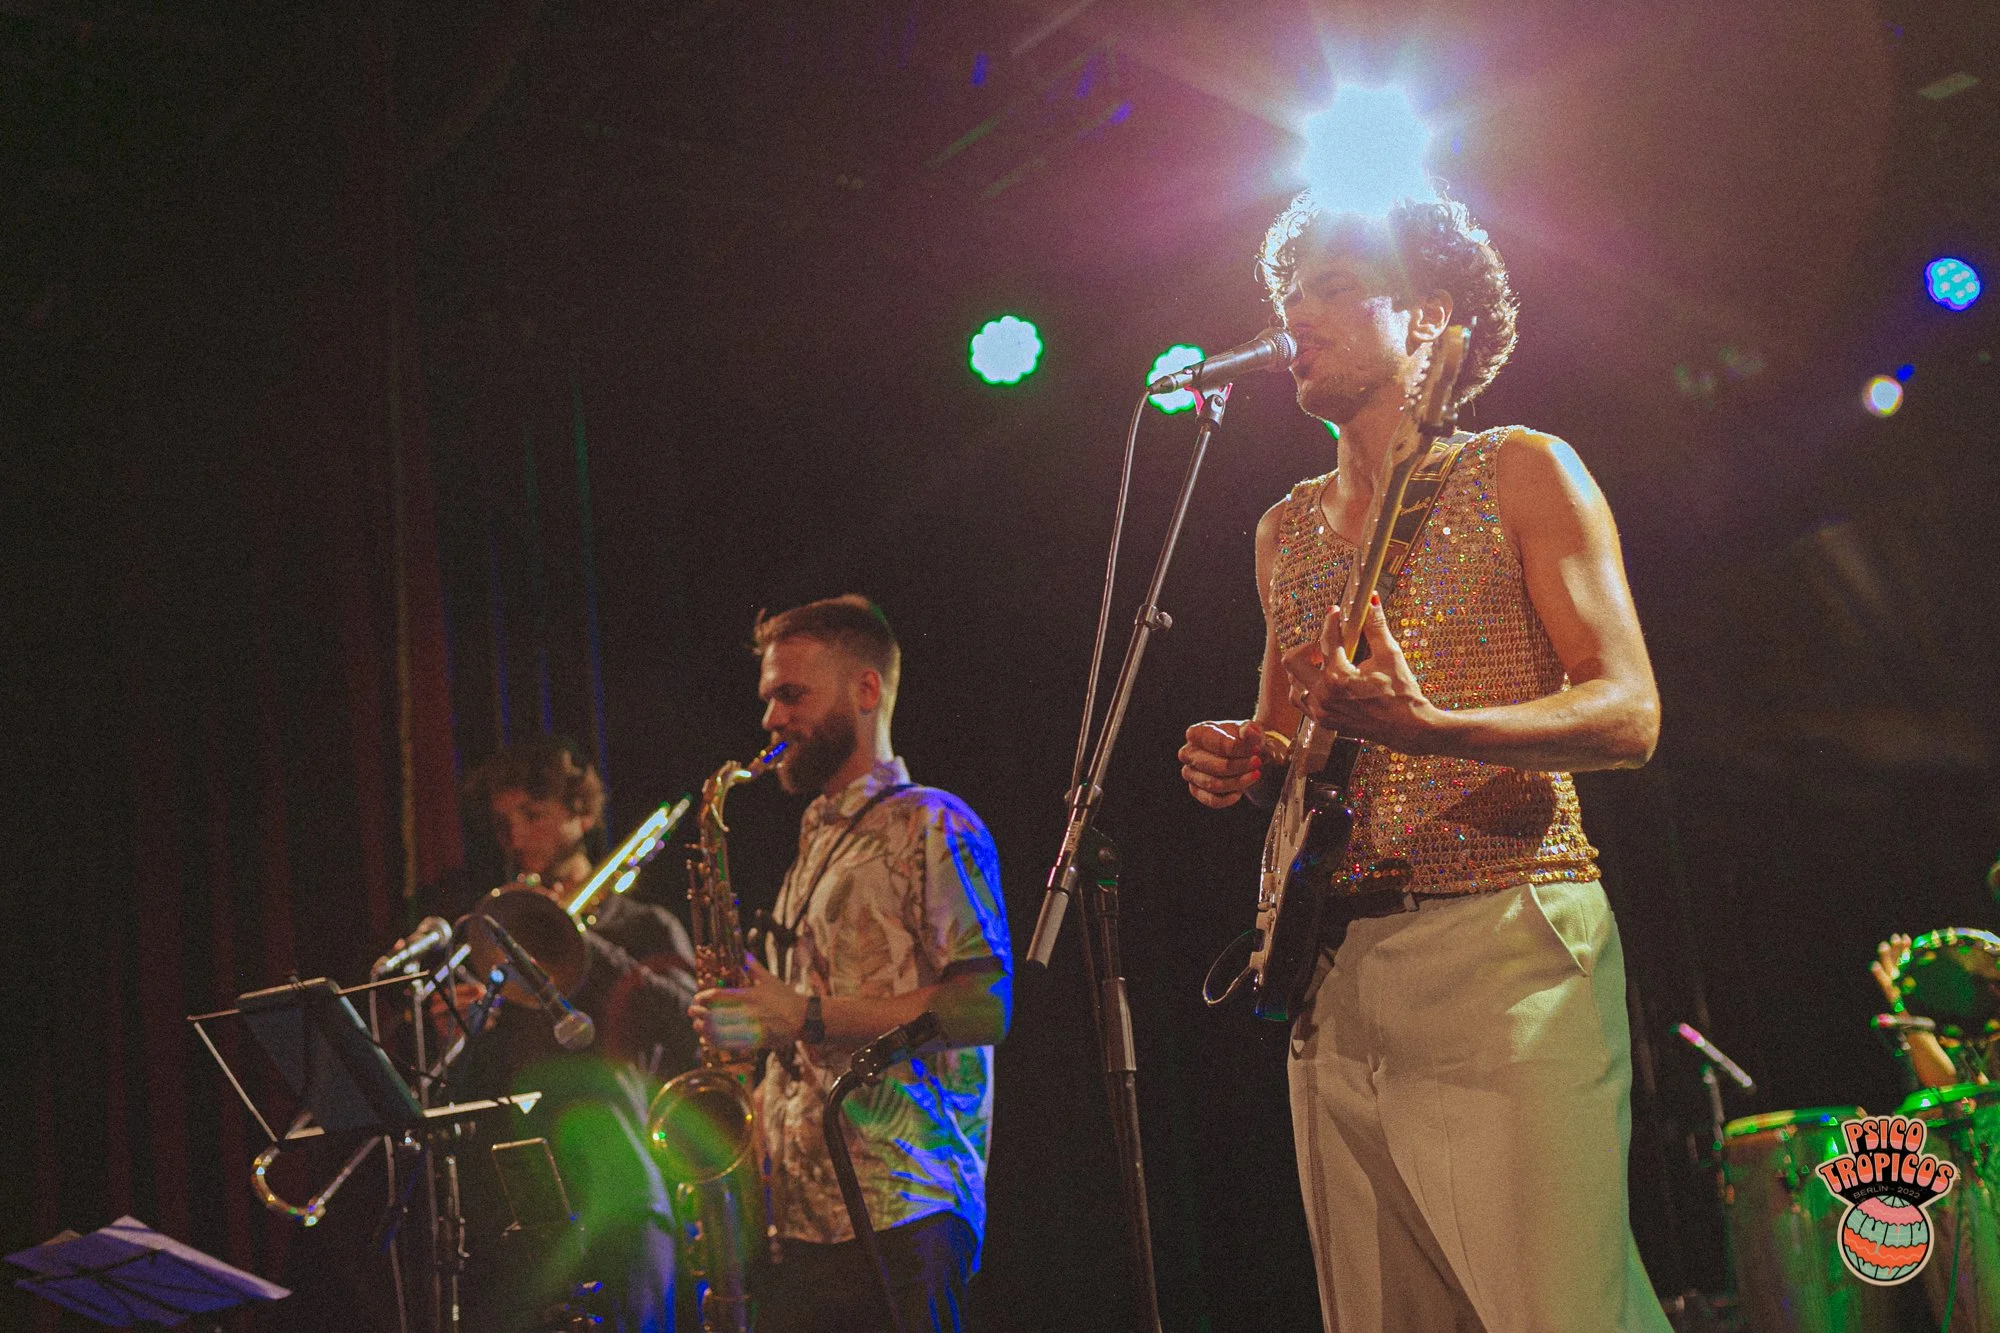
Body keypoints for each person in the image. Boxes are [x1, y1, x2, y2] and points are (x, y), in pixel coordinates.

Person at [1177, 190, 1670, 1332]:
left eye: (1335, 286)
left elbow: (1630, 711)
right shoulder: (1283, 530)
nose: (1297, 314)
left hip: (1500, 943)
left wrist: (1436, 727)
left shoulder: (1521, 468)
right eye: (1289, 294)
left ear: (1430, 316)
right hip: (1328, 970)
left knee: (1562, 1314)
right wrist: (1245, 757)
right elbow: (1291, 736)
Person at [688, 595, 1011, 1333]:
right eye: (768, 697)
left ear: (866, 690)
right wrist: (750, 1027)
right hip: (800, 1224)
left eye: (791, 695)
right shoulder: (814, 845)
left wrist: (803, 1014)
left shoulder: (935, 820)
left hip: (902, 1210)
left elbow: (984, 1006)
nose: (771, 718)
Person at [448, 735, 703, 1332]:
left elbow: (688, 1023)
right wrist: (465, 1024)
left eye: (532, 815)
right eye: (504, 824)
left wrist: (577, 942)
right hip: (527, 1197)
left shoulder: (642, 925)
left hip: (625, 1186)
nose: (516, 838)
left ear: (582, 815)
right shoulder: (498, 941)